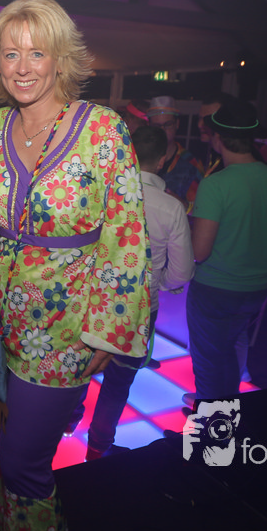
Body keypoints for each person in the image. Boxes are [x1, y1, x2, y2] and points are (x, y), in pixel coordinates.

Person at [0, 0, 151, 531]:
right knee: (0, 448)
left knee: (25, 462)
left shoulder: (102, 129)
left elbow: (126, 236)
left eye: (37, 53)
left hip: (65, 329)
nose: (23, 67)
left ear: (60, 59)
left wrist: (109, 332)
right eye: (10, 54)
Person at [85, 125, 193, 460]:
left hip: (94, 299)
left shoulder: (102, 194)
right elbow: (182, 272)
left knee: (77, 368)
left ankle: (62, 427)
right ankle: (97, 450)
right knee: (118, 382)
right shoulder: (172, 207)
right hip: (141, 306)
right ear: (162, 161)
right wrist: (160, 282)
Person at [187, 99, 267, 401]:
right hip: (257, 288)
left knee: (208, 364)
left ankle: (211, 427)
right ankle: (226, 420)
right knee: (227, 354)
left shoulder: (216, 185)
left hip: (216, 290)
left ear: (218, 137)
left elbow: (200, 252)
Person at [147, 95, 204, 212]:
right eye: (157, 126)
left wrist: (181, 205)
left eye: (167, 124)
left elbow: (200, 210)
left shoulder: (191, 164)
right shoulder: (140, 158)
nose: (162, 130)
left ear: (177, 124)